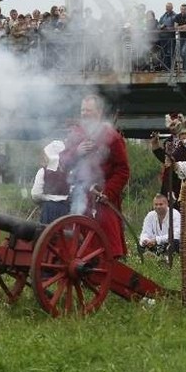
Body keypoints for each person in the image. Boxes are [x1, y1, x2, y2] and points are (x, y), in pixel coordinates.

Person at [59, 94, 130, 258]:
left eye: (88, 110)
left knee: (108, 244)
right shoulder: (76, 135)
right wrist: (77, 152)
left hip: (102, 198)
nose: (84, 114)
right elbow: (63, 161)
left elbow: (123, 170)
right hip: (79, 196)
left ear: (98, 112)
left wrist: (108, 192)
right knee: (76, 242)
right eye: (82, 110)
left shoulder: (112, 137)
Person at [30, 140, 70, 224]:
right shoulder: (69, 173)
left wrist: (47, 198)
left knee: (47, 234)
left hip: (49, 210)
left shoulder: (43, 171)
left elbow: (36, 194)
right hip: (66, 211)